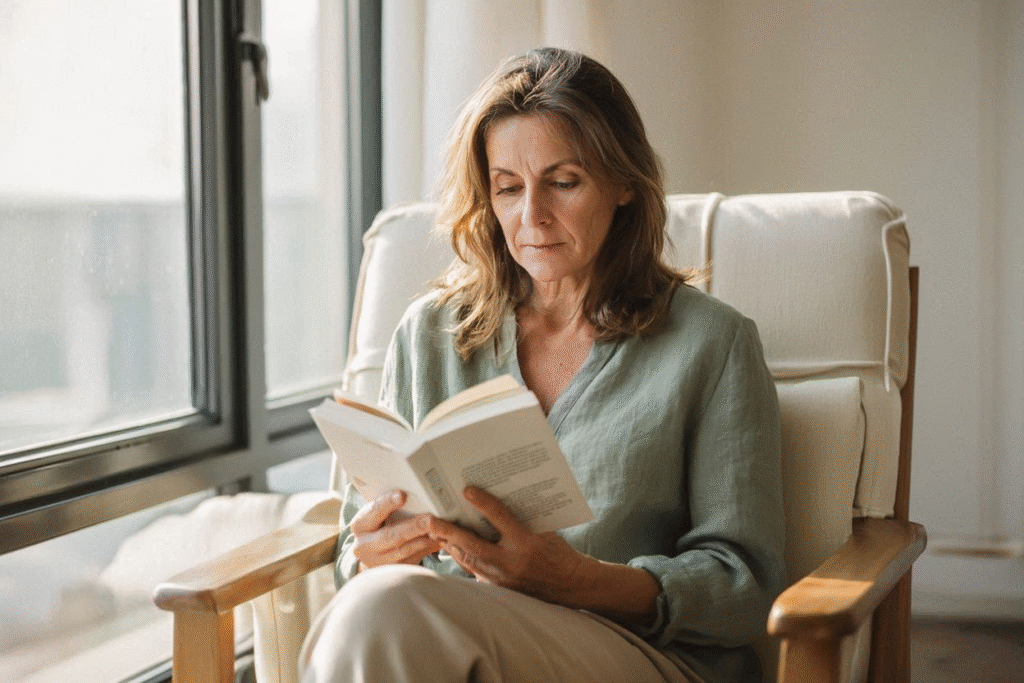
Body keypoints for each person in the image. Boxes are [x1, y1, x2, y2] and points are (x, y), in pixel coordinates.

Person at [301, 47, 785, 683]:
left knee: (377, 615)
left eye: (563, 182)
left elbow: (746, 588)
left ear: (623, 186)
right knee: (374, 603)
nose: (532, 218)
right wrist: (371, 553)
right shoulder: (430, 334)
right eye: (508, 188)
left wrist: (586, 581)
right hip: (441, 635)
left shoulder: (711, 344)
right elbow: (351, 550)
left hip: (638, 655)